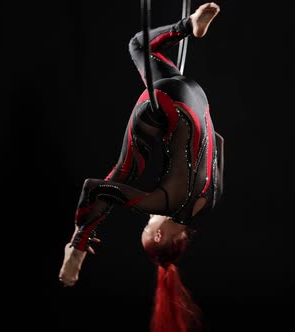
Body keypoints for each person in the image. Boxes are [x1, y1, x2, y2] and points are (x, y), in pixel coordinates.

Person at [59, 3, 223, 332]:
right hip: (164, 103)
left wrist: (178, 138)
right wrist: (80, 236)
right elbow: (94, 188)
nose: (148, 219)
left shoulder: (211, 202)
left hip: (195, 98)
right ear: (160, 235)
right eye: (147, 228)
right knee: (123, 175)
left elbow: (218, 139)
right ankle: (76, 250)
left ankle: (189, 24)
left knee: (141, 45)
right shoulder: (165, 204)